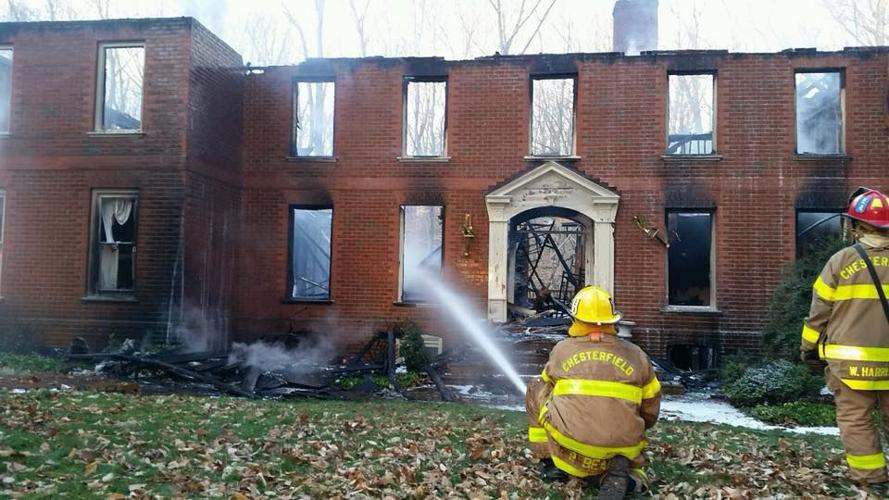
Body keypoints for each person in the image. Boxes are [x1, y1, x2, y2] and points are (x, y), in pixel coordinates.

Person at [526, 285, 661, 499]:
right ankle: (627, 480)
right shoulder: (638, 356)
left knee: (536, 389)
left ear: (576, 319)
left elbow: (544, 389)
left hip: (570, 446)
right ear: (612, 320)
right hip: (624, 447)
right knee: (633, 469)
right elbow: (651, 412)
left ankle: (551, 463)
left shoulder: (562, 350)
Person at [800, 187, 889, 491]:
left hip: (850, 367)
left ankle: (873, 481)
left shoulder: (840, 262)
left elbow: (817, 316)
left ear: (856, 225)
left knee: (856, 420)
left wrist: (809, 352)